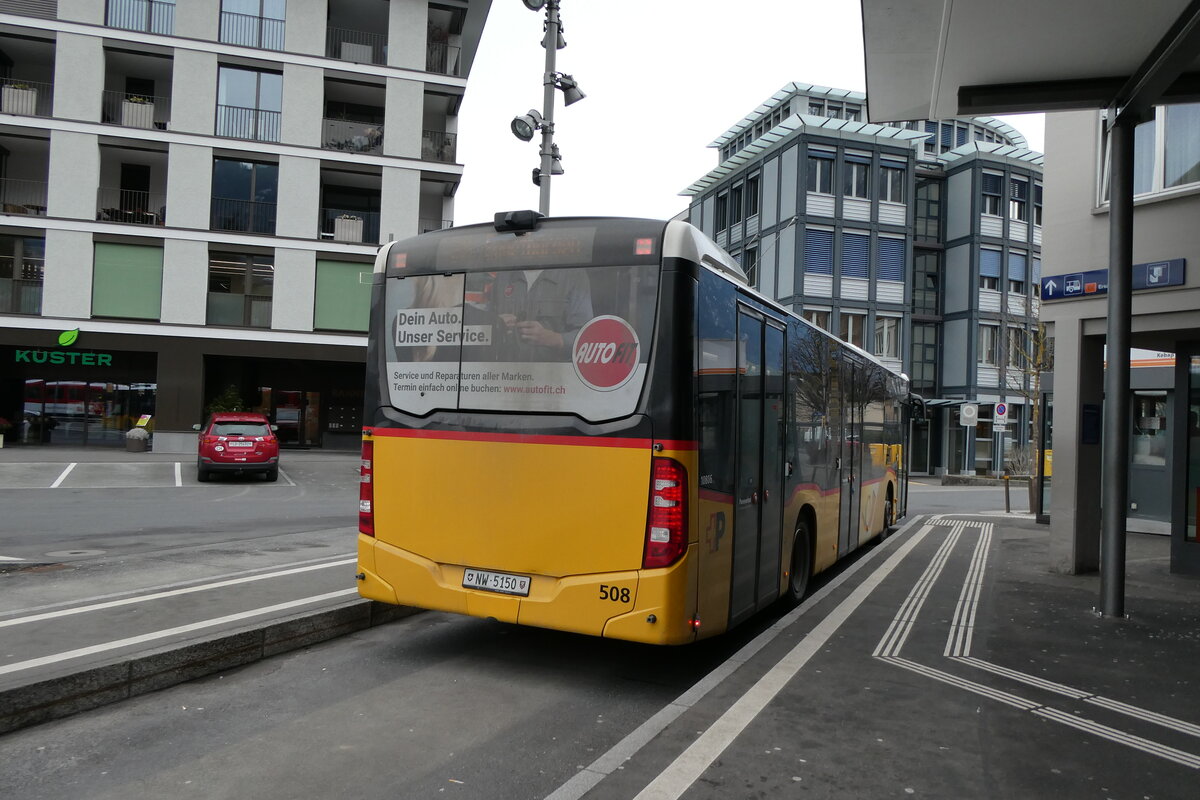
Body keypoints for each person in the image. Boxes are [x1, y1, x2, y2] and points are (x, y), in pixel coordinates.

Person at [488, 268, 593, 362]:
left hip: (551, 375)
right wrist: (495, 324)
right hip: (506, 374)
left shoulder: (574, 275)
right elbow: (485, 330)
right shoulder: (503, 277)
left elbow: (589, 338)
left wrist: (555, 339)